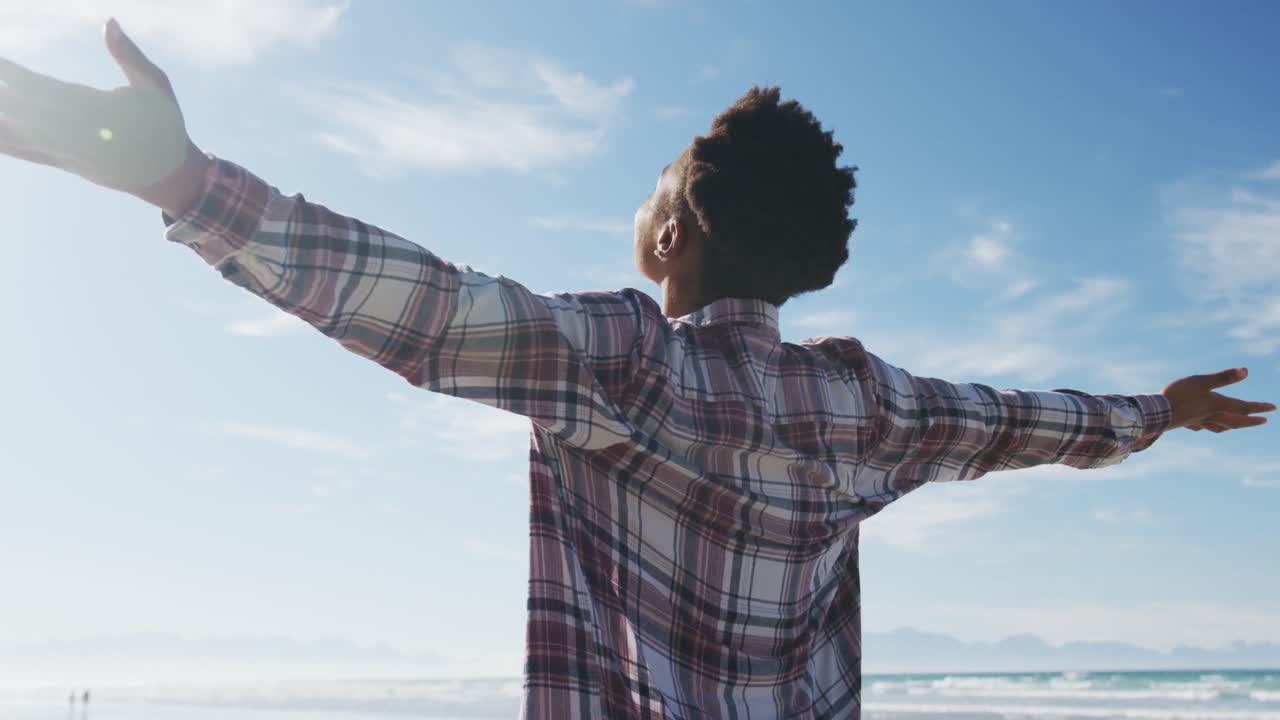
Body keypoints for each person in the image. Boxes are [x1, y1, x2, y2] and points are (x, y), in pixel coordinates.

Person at [1, 19, 1273, 720]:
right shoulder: (869, 404)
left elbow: (422, 308)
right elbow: (1019, 422)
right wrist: (1158, 412)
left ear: (669, 235)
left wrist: (181, 182)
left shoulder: (618, 362)